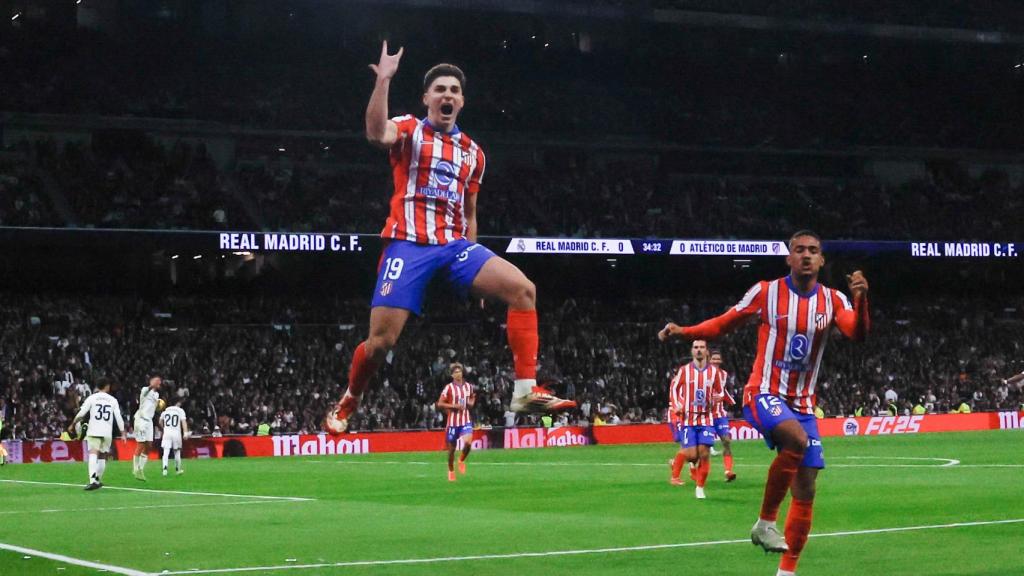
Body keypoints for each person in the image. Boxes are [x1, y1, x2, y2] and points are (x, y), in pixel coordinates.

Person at [325, 41, 575, 434]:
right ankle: (352, 396)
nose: (447, 95)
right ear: (427, 97)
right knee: (380, 344)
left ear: (462, 102)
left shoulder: (473, 153)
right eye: (440, 89)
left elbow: (469, 212)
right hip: (408, 243)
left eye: (454, 91)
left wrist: (474, 259)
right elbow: (376, 133)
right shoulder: (409, 129)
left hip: (455, 246)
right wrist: (384, 82)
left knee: (523, 290)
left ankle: (525, 389)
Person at [659, 230, 869, 576]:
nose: (805, 255)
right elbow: (724, 324)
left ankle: (786, 572)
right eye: (798, 250)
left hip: (803, 404)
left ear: (821, 260)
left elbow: (857, 333)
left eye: (812, 251)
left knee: (806, 487)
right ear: (788, 258)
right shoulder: (766, 292)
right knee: (796, 441)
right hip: (762, 393)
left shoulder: (834, 300)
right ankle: (765, 523)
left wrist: (861, 301)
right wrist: (684, 331)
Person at [667, 340, 724, 499]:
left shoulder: (714, 373)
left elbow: (720, 392)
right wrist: (676, 405)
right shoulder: (685, 371)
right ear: (692, 351)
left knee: (704, 453)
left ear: (707, 352)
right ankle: (679, 465)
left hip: (706, 419)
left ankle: (700, 488)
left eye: (702, 348)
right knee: (692, 455)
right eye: (696, 347)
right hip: (687, 419)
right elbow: (674, 388)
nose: (699, 350)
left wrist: (716, 398)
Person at [67, 377, 126, 490]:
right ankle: (98, 479)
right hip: (107, 432)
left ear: (98, 387)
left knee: (93, 454)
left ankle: (92, 480)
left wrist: (73, 424)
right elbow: (118, 417)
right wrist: (123, 432)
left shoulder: (92, 398)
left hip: (94, 429)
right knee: (103, 456)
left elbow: (82, 413)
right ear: (107, 386)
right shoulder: (113, 400)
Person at [436, 363, 475, 482]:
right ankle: (451, 470)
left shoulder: (468, 386)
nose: (458, 374)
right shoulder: (448, 388)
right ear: (452, 375)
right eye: (456, 372)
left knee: (468, 442)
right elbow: (440, 403)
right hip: (453, 422)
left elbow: (472, 397)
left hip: (465, 420)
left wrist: (471, 404)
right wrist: (454, 406)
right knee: (451, 450)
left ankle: (461, 460)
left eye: (460, 371)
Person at [709, 350, 737, 482]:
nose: (715, 361)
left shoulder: (724, 374)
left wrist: (728, 399)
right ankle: (678, 463)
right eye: (713, 359)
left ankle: (728, 471)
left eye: (717, 359)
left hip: (719, 414)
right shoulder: (703, 373)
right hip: (705, 415)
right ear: (709, 360)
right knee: (699, 449)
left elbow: (722, 390)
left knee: (726, 441)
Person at [132, 376, 162, 481]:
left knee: (149, 446)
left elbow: (156, 407)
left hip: (149, 421)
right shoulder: (145, 390)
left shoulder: (156, 395)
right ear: (151, 382)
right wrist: (152, 385)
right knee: (141, 445)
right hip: (141, 420)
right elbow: (148, 389)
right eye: (156, 380)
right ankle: (135, 470)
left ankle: (141, 469)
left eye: (159, 381)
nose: (159, 382)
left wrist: (159, 405)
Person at [158, 399, 189, 476]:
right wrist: (185, 433)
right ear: (177, 403)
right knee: (177, 451)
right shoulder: (180, 411)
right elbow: (183, 422)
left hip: (167, 432)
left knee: (166, 451)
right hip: (176, 433)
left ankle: (165, 469)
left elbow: (160, 422)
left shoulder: (165, 411)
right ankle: (177, 469)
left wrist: (164, 428)